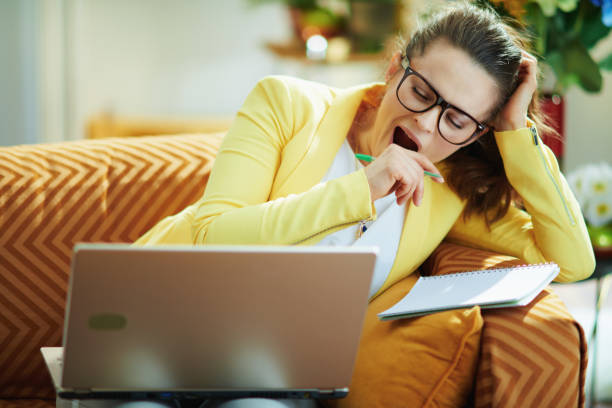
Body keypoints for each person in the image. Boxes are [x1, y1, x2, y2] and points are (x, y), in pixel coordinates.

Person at [133, 2, 595, 407]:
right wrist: (360, 189)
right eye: (420, 92)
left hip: (270, 383)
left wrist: (516, 129)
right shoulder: (286, 104)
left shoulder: (447, 191)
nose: (426, 124)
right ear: (395, 67)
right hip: (155, 342)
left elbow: (571, 260)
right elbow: (212, 238)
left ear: (477, 133)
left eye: (456, 119)